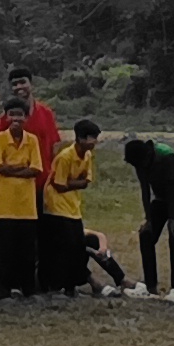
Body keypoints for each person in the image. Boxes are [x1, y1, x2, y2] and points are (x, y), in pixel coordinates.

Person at [0, 97, 42, 299]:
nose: (16, 119)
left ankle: (28, 290)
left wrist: (11, 170)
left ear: (26, 117)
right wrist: (21, 169)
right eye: (12, 114)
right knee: (4, 251)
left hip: (26, 206)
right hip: (3, 204)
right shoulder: (0, 138)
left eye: (20, 115)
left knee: (26, 252)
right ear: (6, 117)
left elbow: (36, 169)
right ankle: (3, 290)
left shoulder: (32, 140)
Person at [121, 137, 174, 298]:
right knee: (146, 235)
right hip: (160, 198)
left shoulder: (165, 156)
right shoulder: (139, 162)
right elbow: (145, 189)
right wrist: (149, 219)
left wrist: (173, 218)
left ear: (145, 157)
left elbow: (170, 187)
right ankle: (150, 286)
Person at [44, 121, 100, 299]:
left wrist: (73, 183)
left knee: (77, 247)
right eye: (91, 139)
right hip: (56, 207)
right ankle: (57, 286)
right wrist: (78, 183)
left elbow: (86, 181)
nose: (94, 142)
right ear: (80, 139)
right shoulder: (65, 157)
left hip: (72, 206)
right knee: (63, 248)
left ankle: (71, 286)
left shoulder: (87, 155)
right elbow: (59, 185)